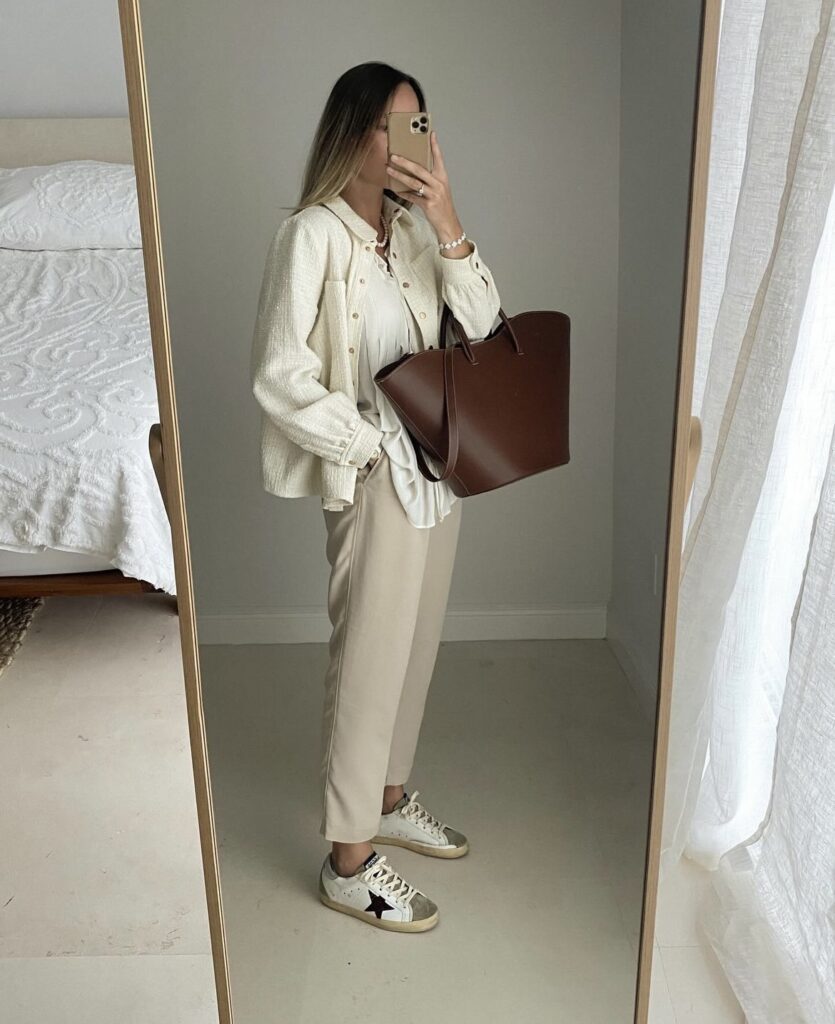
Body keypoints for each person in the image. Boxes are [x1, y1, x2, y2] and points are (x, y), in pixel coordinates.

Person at [250, 61, 501, 932]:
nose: (411, 141)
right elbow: (278, 374)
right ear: (356, 134)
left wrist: (448, 220)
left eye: (421, 123)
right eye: (397, 124)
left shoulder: (416, 233)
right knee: (366, 664)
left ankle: (389, 797)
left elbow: (485, 330)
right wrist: (361, 450)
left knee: (415, 648)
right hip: (375, 475)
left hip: (440, 471)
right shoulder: (310, 237)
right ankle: (348, 860)